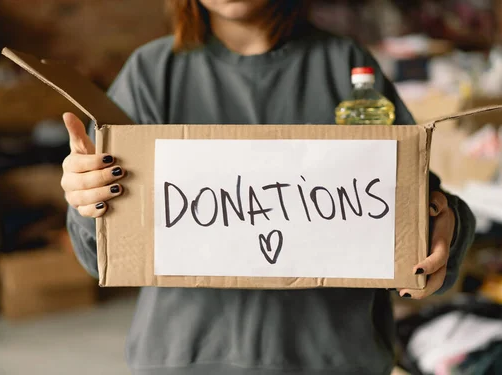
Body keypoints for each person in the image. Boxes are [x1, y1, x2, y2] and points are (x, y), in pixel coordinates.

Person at [61, 1, 476, 374]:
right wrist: (87, 200)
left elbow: (417, 204)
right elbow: (101, 253)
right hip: (186, 358)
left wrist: (446, 225)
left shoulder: (348, 65)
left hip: (332, 358)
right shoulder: (152, 71)